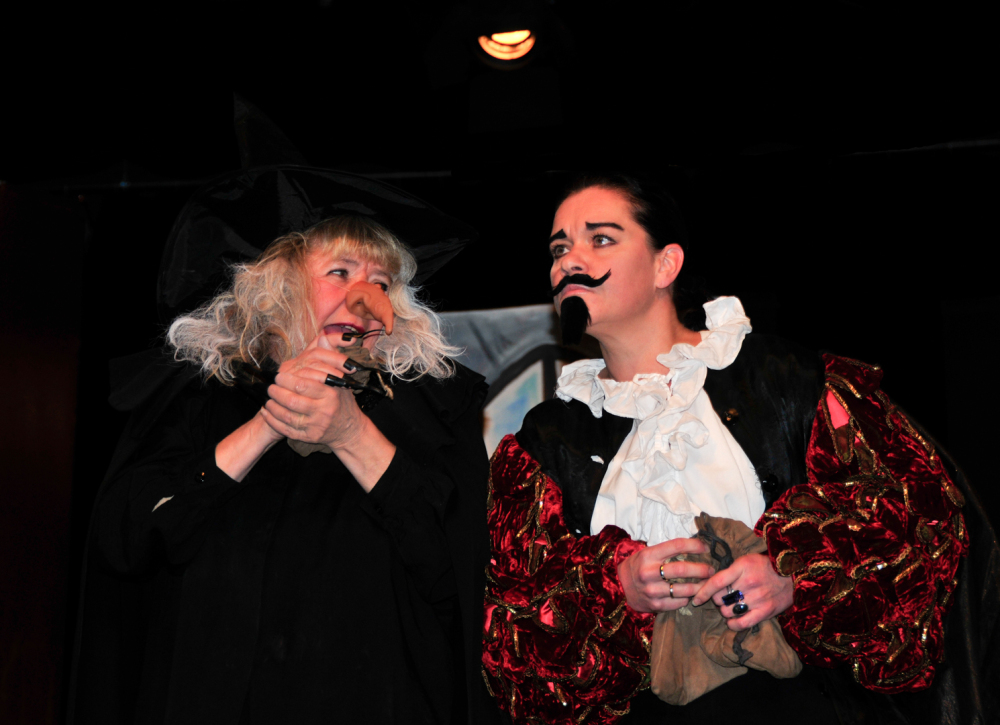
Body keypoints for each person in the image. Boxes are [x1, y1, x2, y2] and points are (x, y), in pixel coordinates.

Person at [482, 173, 997, 725]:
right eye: (558, 249)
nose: (569, 261)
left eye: (600, 239)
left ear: (665, 265)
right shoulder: (545, 442)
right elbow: (507, 626)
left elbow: (917, 525)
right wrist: (618, 588)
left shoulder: (787, 381)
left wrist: (794, 574)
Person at [68, 168, 495, 725]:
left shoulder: (431, 413)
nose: (366, 298)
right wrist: (271, 420)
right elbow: (127, 542)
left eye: (383, 283)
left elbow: (456, 576)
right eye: (340, 272)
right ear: (280, 283)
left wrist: (351, 433)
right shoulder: (197, 399)